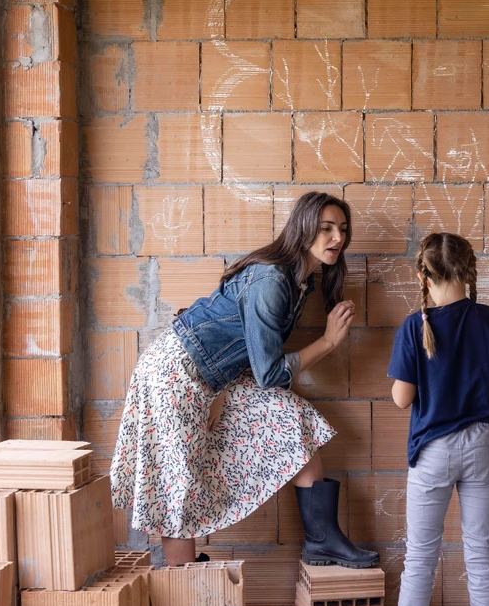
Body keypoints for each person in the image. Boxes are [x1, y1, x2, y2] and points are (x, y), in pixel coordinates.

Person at [109, 191, 379, 569]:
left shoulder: (300, 281)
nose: (337, 238)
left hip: (213, 376)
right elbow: (269, 373)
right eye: (326, 229)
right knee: (178, 481)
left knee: (292, 420)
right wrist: (328, 342)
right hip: (173, 372)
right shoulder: (272, 280)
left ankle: (322, 541)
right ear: (303, 230)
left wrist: (222, 389)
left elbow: (252, 351)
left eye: (343, 230)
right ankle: (188, 587)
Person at [374, 233, 489, 606]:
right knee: (482, 559)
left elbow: (401, 400)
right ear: (469, 271)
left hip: (433, 451)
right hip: (482, 445)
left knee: (420, 560)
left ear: (422, 275)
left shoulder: (413, 328)